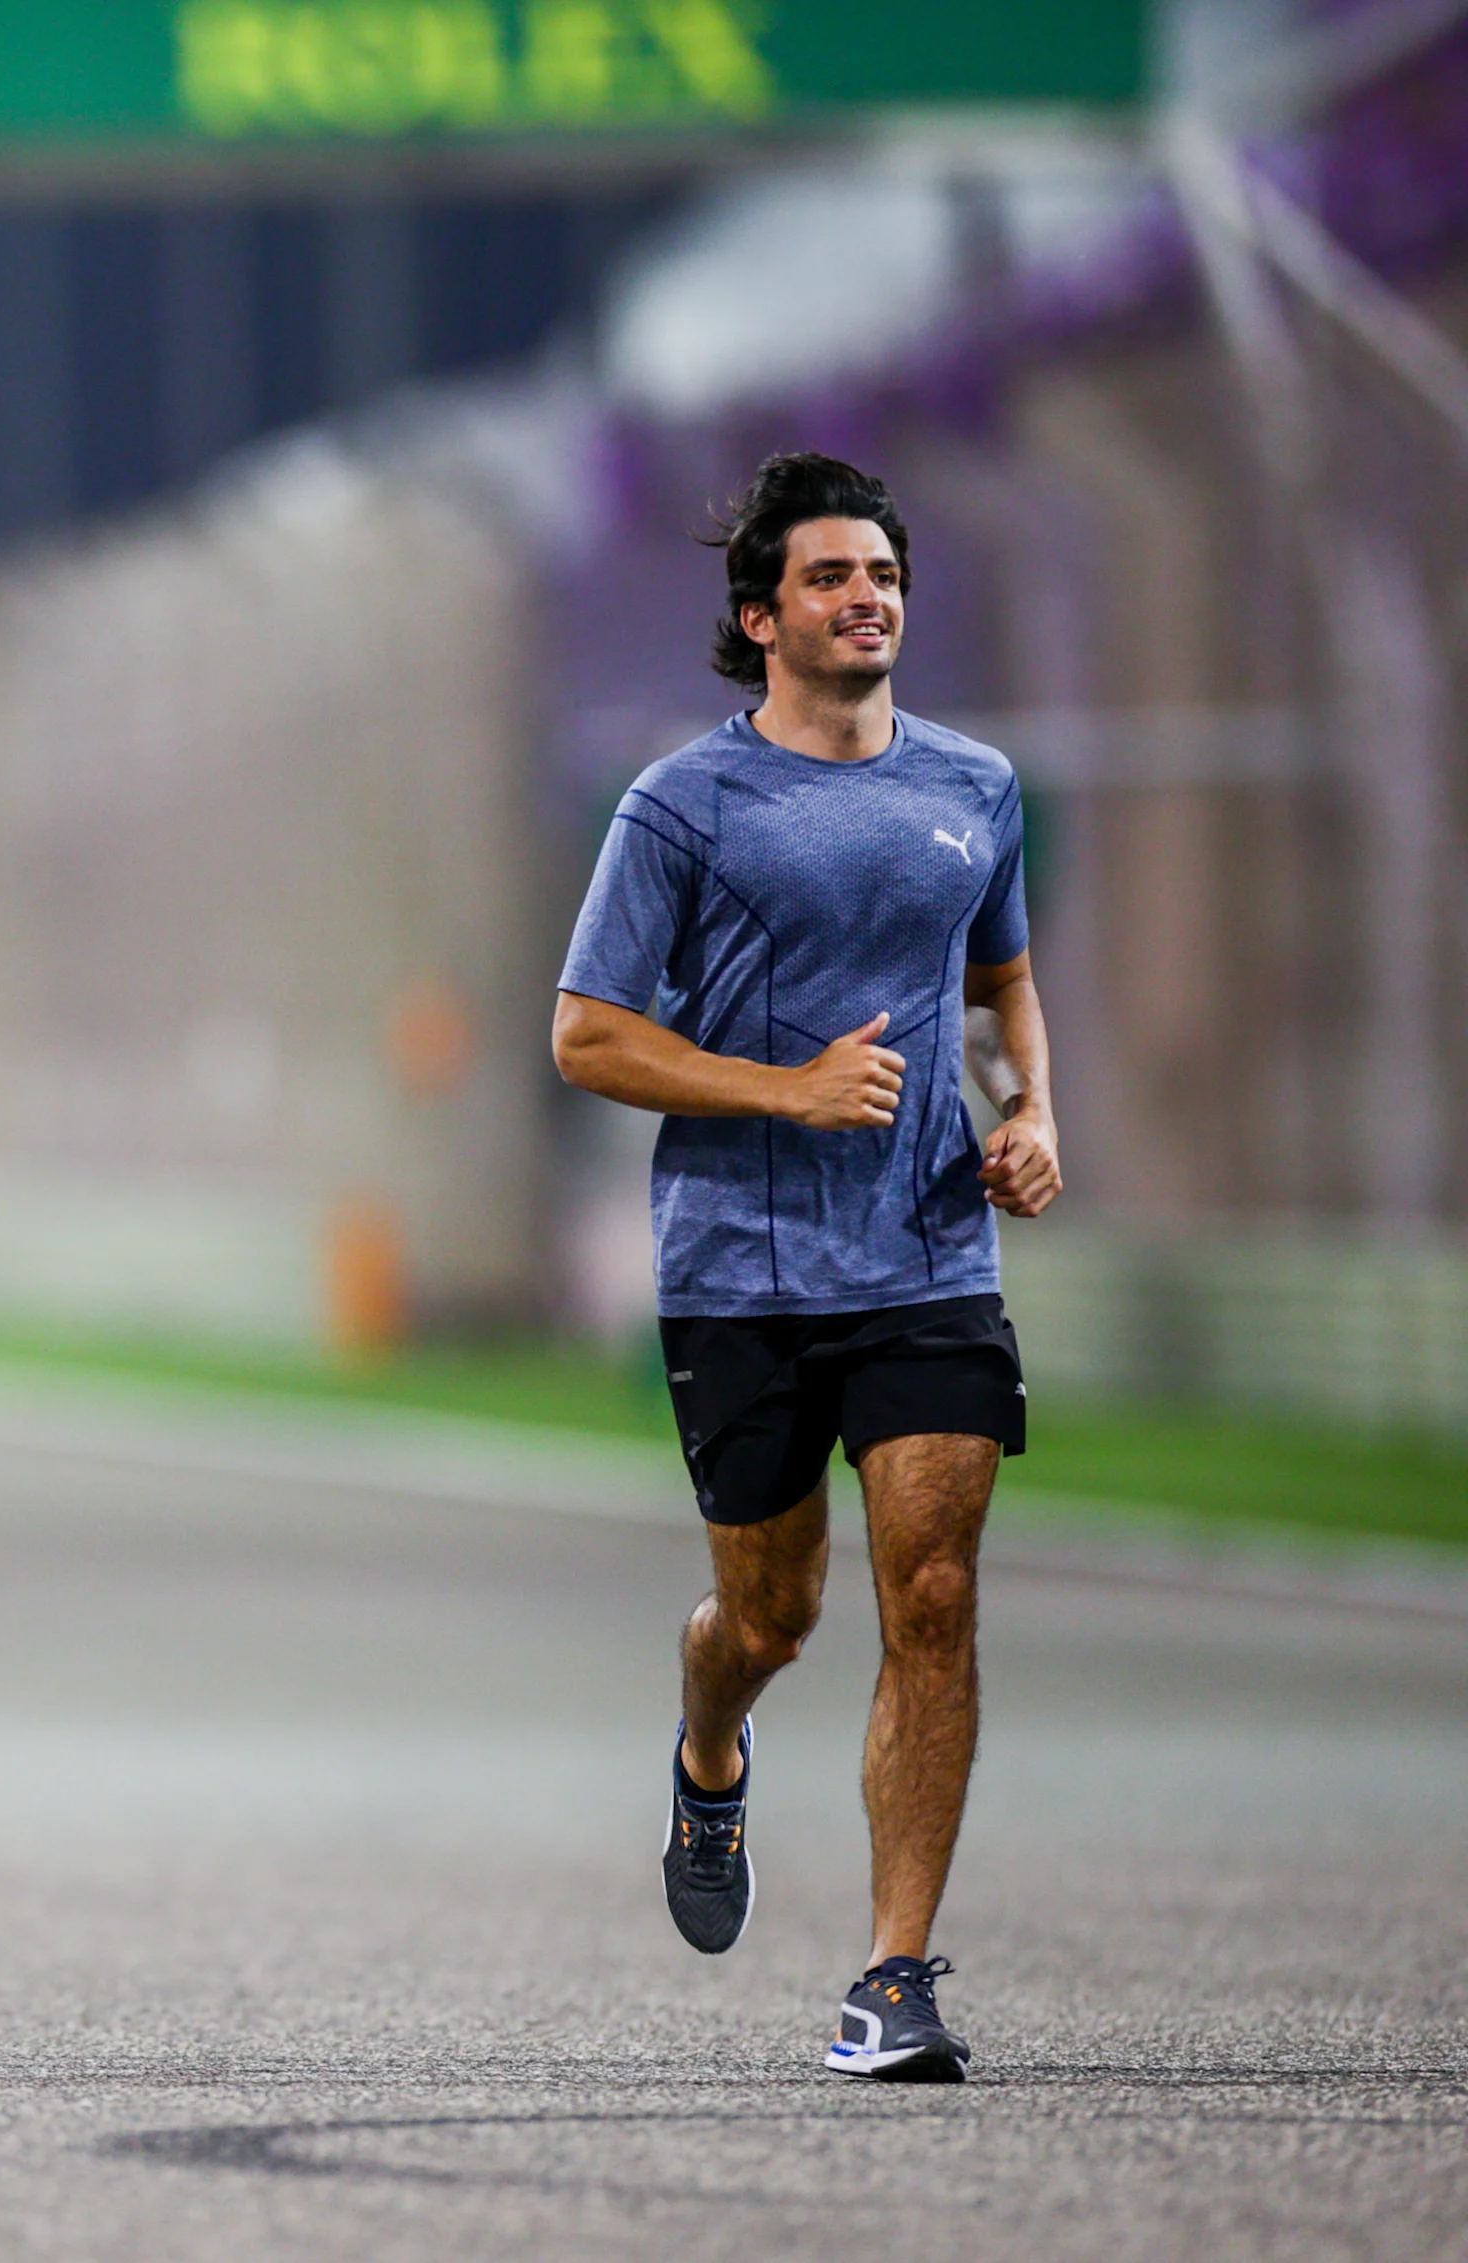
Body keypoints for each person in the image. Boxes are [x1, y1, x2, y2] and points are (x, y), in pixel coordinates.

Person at [550, 451, 1061, 2082]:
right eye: (833, 576)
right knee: (772, 1615)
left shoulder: (975, 784)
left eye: (886, 575)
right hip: (743, 1269)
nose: (868, 598)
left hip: (926, 1251)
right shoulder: (682, 804)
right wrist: (785, 1088)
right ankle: (711, 1743)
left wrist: (1033, 1109)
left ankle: (893, 1975)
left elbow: (995, 985)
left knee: (936, 1586)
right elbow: (585, 1035)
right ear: (762, 614)